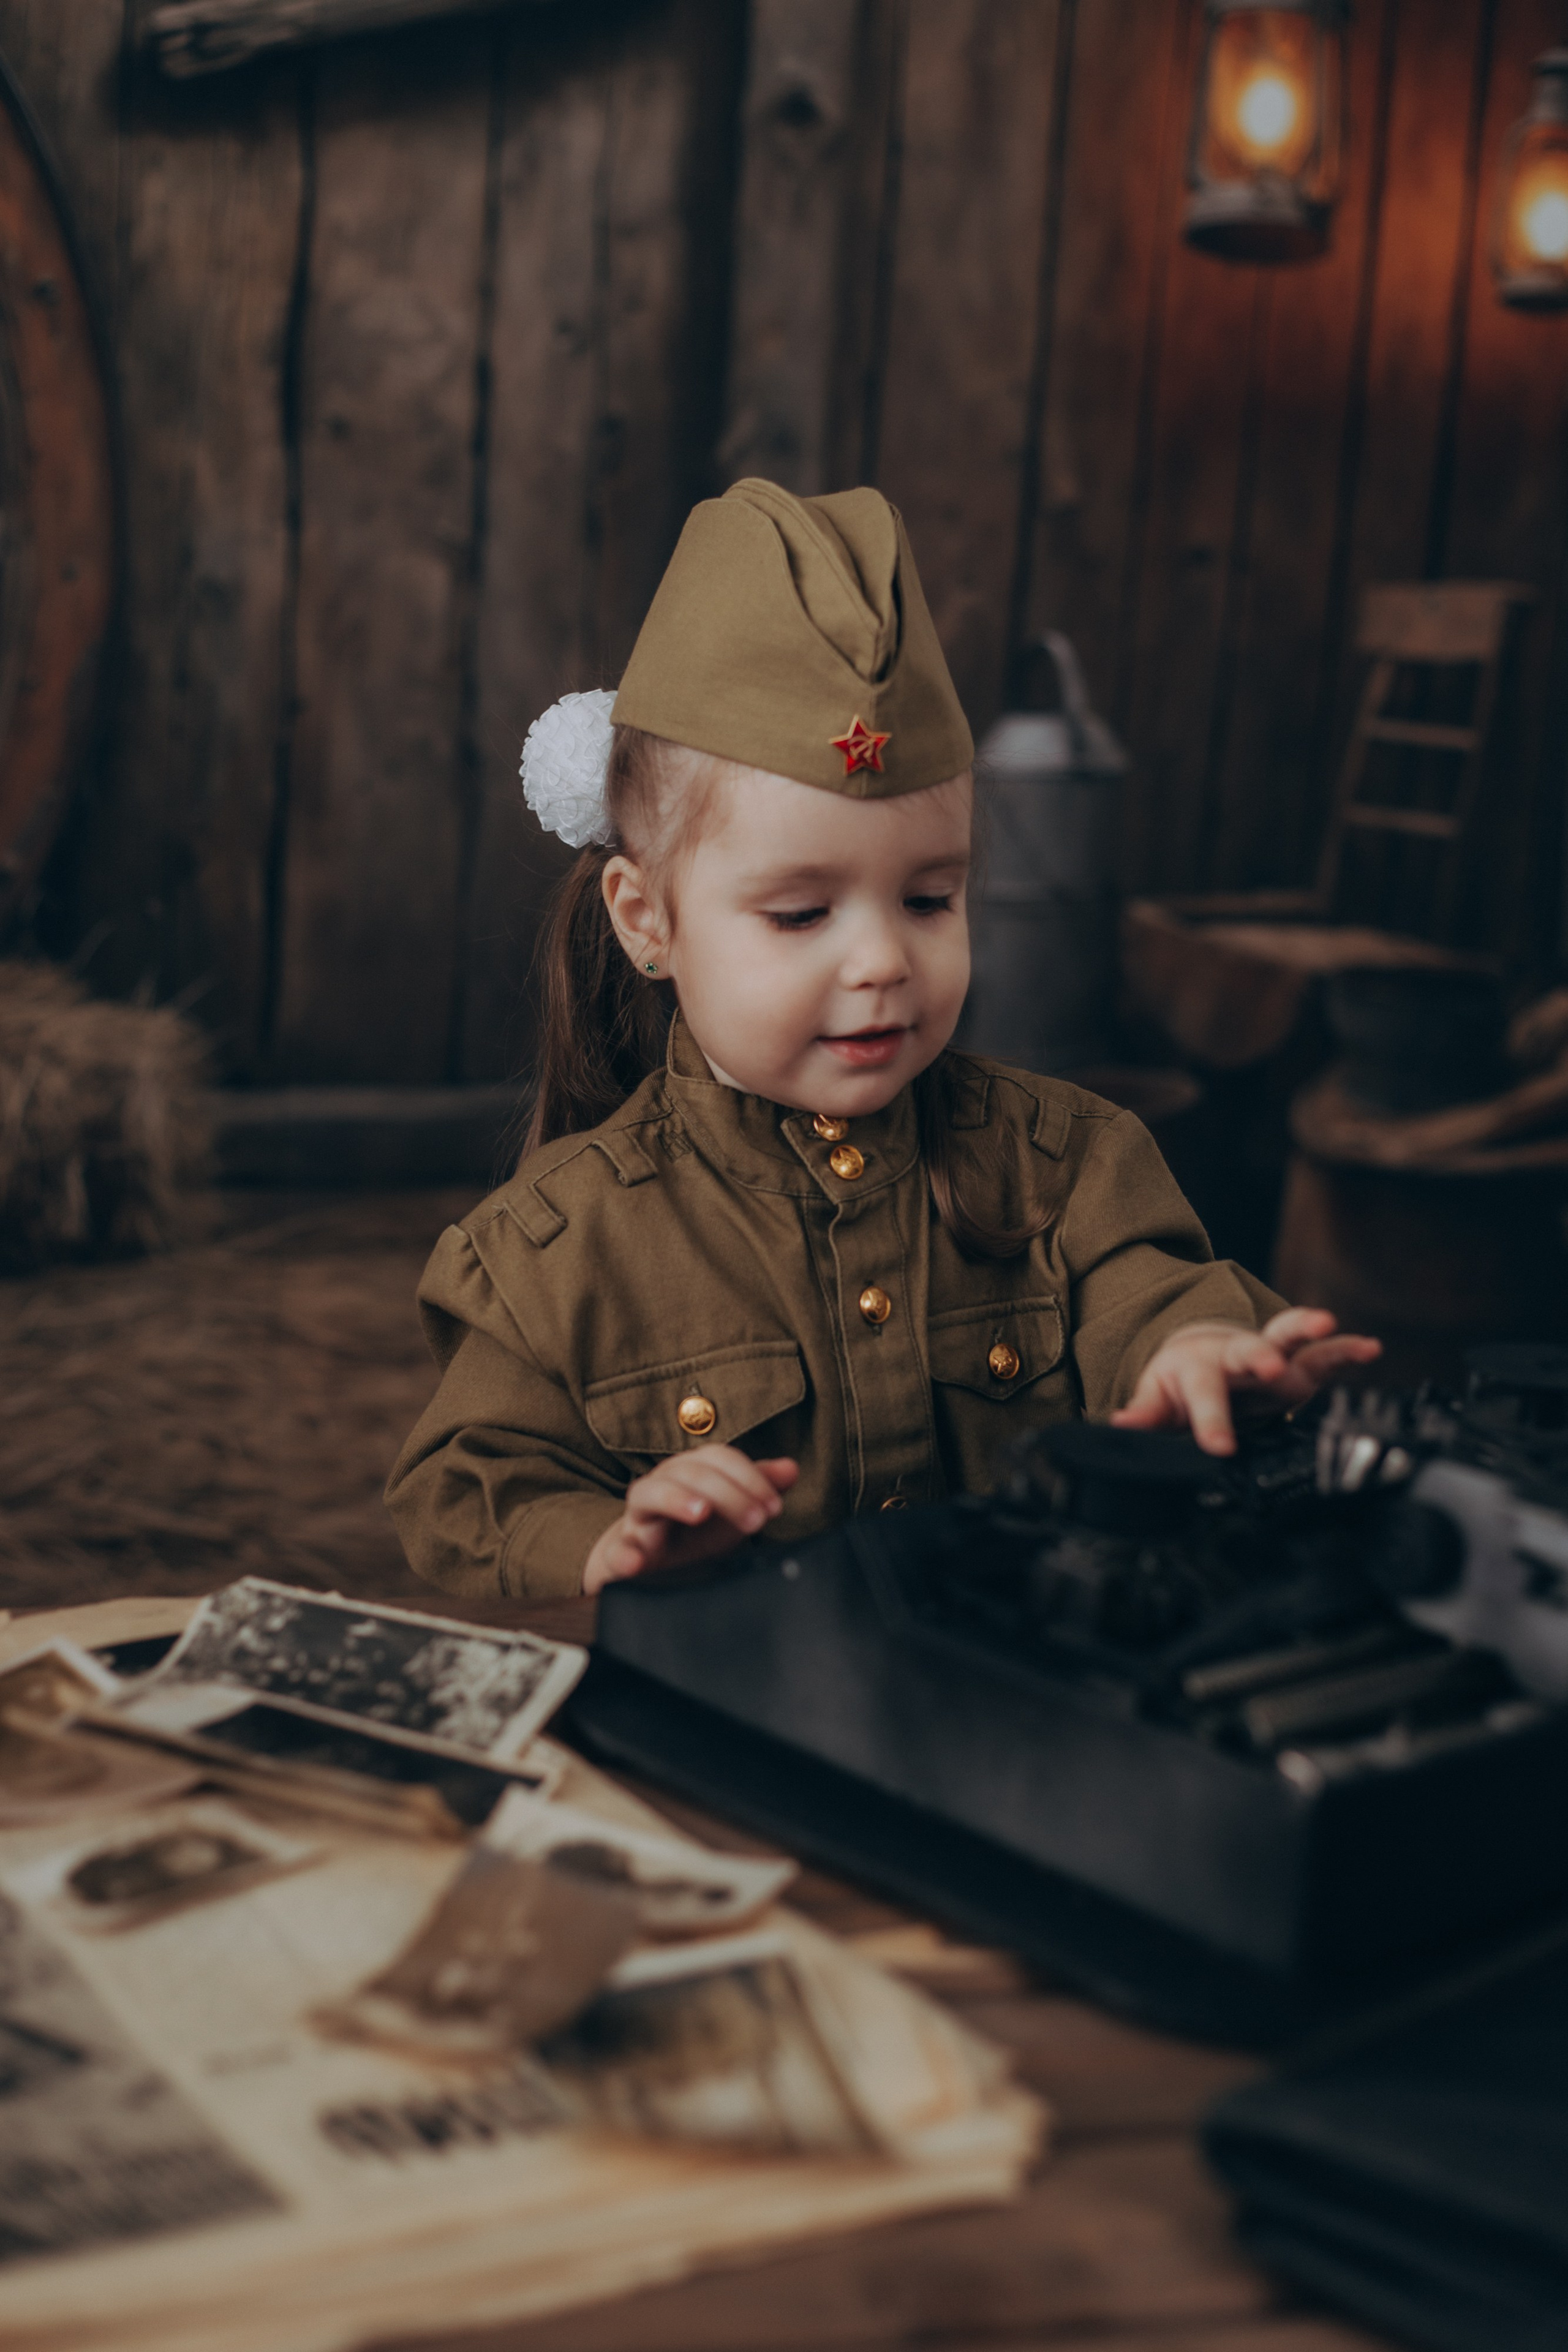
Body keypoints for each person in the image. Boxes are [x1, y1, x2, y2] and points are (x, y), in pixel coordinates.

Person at [386, 480, 1378, 1602]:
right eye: (802, 914)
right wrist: (606, 1536)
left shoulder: (1071, 1161)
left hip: (1022, 1709)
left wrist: (1191, 1352)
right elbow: (469, 1485)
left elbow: (1146, 1291)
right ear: (646, 920)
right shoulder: (551, 1251)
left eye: (929, 899)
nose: (882, 964)